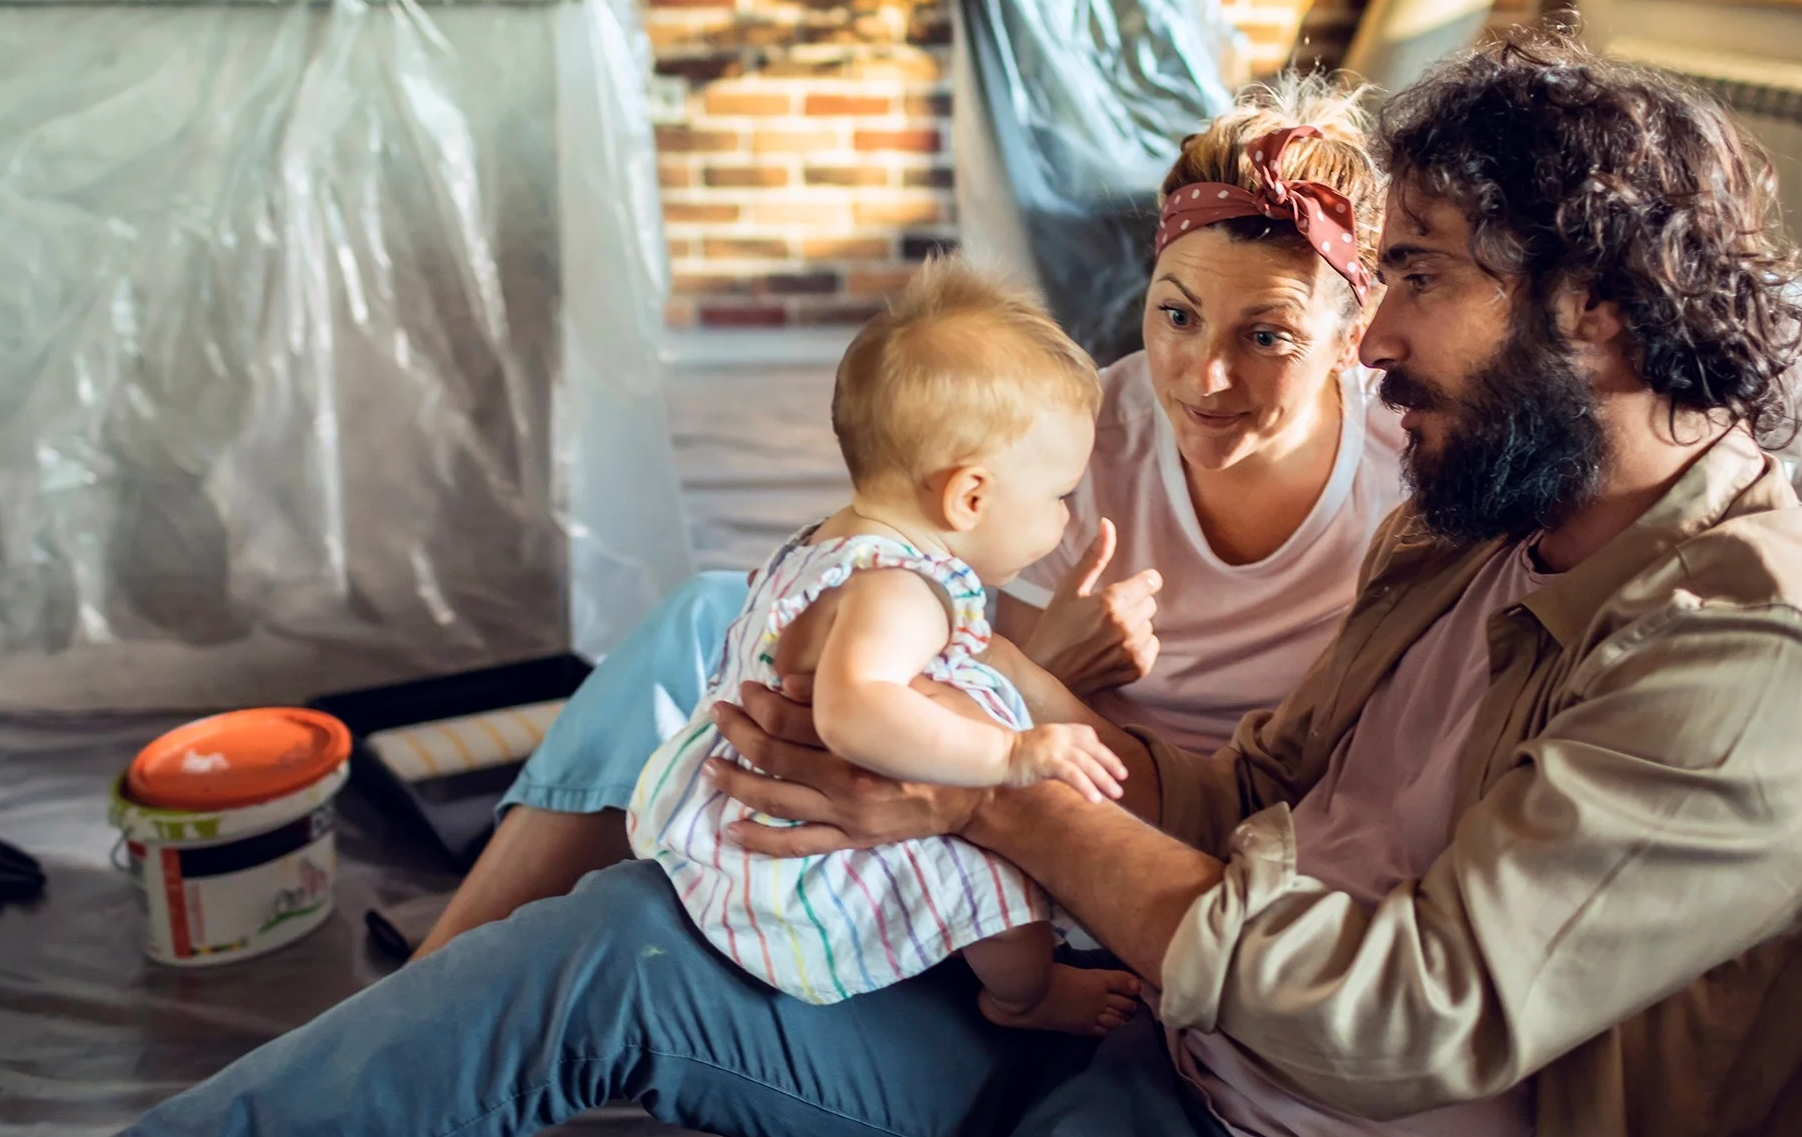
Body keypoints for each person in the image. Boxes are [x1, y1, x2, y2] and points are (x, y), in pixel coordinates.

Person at [0, 28, 1802, 1137]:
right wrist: (955, 746)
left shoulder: (1743, 656)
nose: (1353, 346)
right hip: (1131, 1076)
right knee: (606, 939)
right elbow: (1237, 794)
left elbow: (1390, 1003)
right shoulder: (1480, 539)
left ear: (1612, 314)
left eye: (1414, 284)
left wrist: (973, 793)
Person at [415, 76, 1406, 956]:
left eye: (1267, 335)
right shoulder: (1077, 440)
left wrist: (1040, 687)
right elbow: (939, 666)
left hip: (1176, 846)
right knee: (708, 619)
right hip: (1044, 764)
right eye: (1176, 315)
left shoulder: (1412, 477)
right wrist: (1055, 659)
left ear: (1355, 336)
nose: (1203, 377)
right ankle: (446, 977)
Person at [630, 258, 1140, 1031]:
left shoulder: (833, 541)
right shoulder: (905, 586)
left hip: (746, 805)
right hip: (815, 851)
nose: (1064, 519)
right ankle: (1023, 999)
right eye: (1058, 497)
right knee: (999, 890)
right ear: (970, 496)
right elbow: (854, 712)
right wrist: (1011, 758)